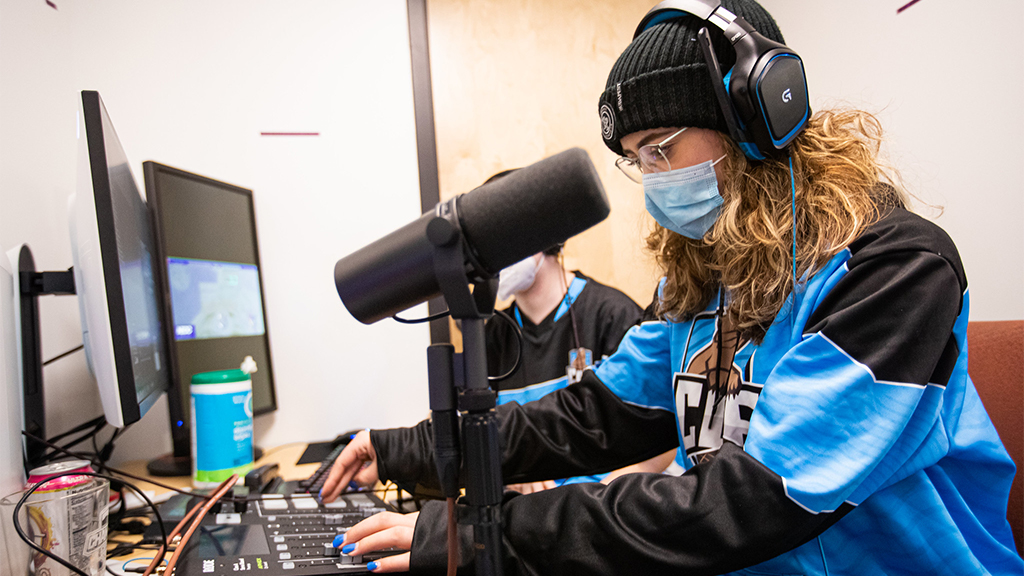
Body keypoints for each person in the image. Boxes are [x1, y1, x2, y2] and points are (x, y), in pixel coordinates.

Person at [321, 1, 1023, 574]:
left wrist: (483, 535)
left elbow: (751, 502)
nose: (653, 178)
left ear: (756, 121)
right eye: (635, 160)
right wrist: (404, 449)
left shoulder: (895, 270)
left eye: (661, 146)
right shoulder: (703, 285)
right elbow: (593, 415)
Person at [487, 241, 644, 491]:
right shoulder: (491, 339)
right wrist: (511, 479)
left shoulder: (614, 316)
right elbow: (480, 447)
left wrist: (593, 501)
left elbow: (658, 444)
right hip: (527, 513)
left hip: (604, 507)